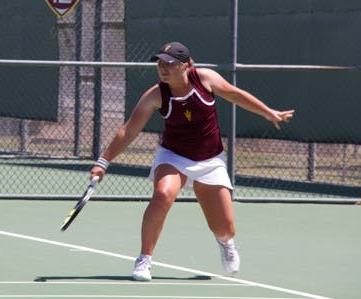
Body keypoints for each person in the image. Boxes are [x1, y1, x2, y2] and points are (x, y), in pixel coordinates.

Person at [89, 42, 294, 281]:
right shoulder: (156, 94)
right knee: (163, 194)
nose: (163, 68)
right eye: (160, 63)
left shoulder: (205, 79)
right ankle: (144, 260)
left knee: (225, 228)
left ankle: (225, 243)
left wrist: (268, 112)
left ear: (186, 65)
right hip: (173, 156)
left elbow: (235, 95)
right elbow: (129, 130)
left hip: (210, 159)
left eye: (170, 63)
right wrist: (103, 162)